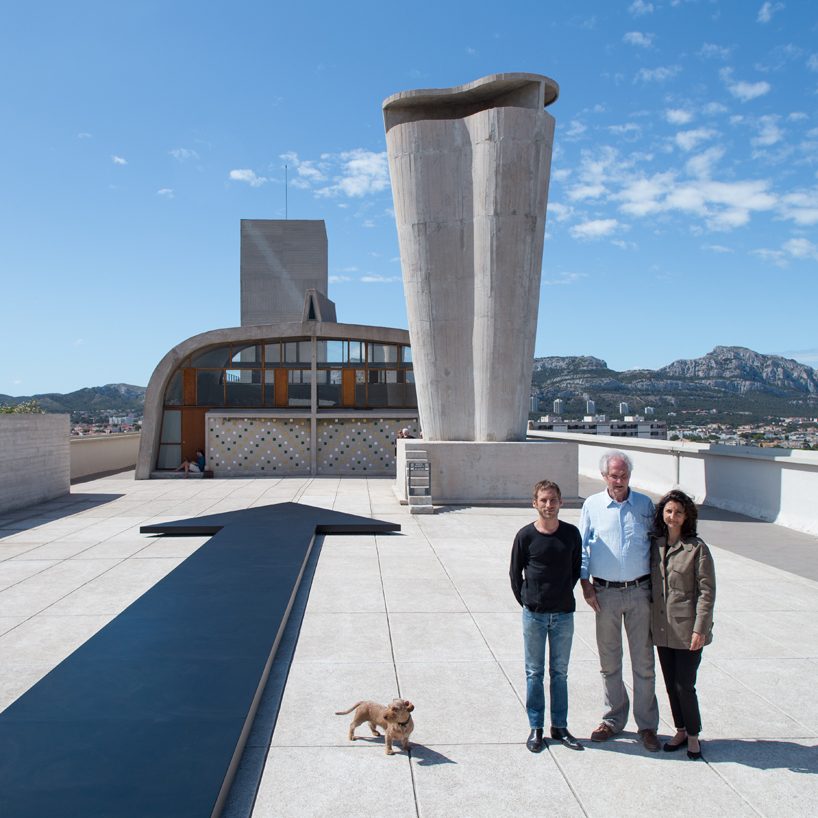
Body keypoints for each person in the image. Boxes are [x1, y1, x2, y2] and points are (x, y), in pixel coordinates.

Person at [579, 450, 660, 751]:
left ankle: (647, 726)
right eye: (614, 475)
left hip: (639, 592)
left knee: (644, 663)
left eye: (624, 475)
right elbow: (583, 547)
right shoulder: (593, 505)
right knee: (609, 662)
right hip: (605, 594)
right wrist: (586, 585)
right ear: (604, 476)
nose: (619, 480)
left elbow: (655, 547)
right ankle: (613, 720)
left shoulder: (644, 505)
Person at [510, 480, 583, 752]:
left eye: (553, 500)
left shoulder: (571, 534)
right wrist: (529, 601)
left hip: (564, 614)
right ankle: (536, 728)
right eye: (543, 500)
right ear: (535, 503)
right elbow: (514, 574)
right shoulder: (525, 536)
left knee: (560, 673)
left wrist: (561, 594)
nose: (548, 505)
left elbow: (576, 569)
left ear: (561, 502)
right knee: (534, 673)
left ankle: (560, 727)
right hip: (535, 617)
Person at [650, 489, 716, 760]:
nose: (673, 516)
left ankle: (693, 735)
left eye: (678, 512)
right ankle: (679, 729)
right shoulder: (655, 545)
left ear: (686, 515)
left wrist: (701, 628)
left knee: (684, 685)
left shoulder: (696, 549)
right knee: (669, 683)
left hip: (687, 629)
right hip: (662, 628)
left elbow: (707, 591)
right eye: (668, 511)